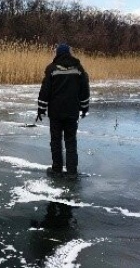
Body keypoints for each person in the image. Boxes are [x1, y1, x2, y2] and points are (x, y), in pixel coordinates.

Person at [37, 43, 90, 178]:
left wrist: (41, 109)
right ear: (69, 53)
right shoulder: (78, 69)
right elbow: (84, 89)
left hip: (56, 112)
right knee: (71, 141)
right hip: (72, 112)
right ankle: (72, 172)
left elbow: (45, 90)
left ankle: (57, 169)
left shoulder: (52, 68)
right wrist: (84, 107)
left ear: (57, 53)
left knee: (56, 140)